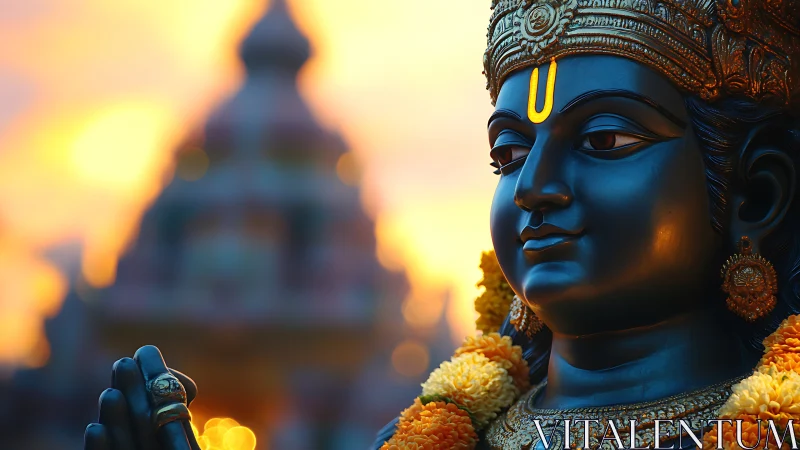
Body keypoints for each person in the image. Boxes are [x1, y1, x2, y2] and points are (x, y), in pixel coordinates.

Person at [85, 1, 800, 449]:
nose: (534, 188)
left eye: (604, 139)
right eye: (509, 154)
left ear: (757, 193)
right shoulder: (424, 436)